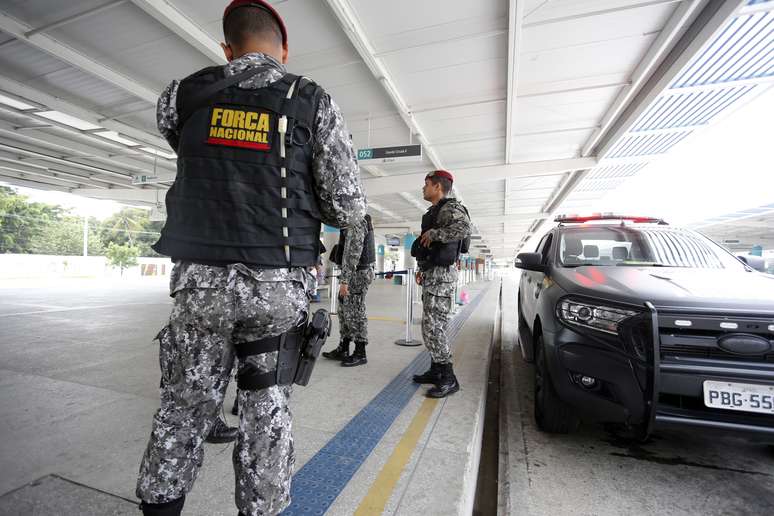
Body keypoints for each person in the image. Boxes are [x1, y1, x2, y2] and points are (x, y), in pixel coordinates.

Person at [134, 2, 366, 515]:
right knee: (266, 409)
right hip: (275, 291)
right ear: (283, 52)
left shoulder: (181, 97)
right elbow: (348, 206)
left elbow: (197, 153)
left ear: (226, 49)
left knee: (183, 409)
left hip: (200, 288)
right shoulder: (310, 99)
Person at [410, 170, 472, 398]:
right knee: (429, 326)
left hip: (442, 277)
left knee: (434, 328)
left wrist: (436, 234)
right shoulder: (435, 211)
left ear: (438, 187)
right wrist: (421, 268)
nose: (423, 188)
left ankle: (448, 378)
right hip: (432, 273)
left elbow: (465, 228)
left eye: (426, 184)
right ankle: (436, 370)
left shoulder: (451, 208)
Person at [321, 214, 375, 366]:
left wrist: (345, 280)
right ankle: (343, 348)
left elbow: (353, 254)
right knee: (344, 312)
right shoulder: (351, 221)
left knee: (356, 312)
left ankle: (360, 352)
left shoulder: (357, 222)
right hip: (354, 273)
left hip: (358, 273)